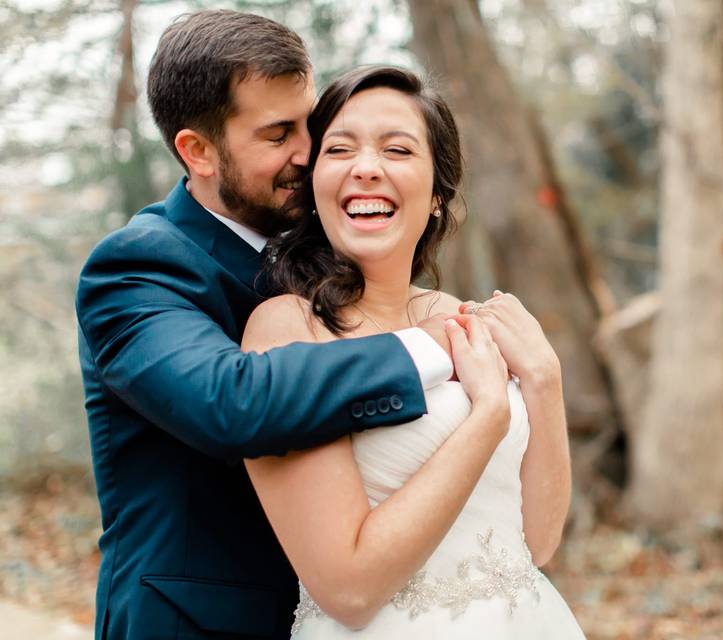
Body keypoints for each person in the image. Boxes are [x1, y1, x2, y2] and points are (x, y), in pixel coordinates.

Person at [75, 12, 459, 640]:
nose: (308, 153)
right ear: (197, 151)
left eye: (310, 122)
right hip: (198, 624)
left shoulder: (324, 250)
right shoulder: (136, 267)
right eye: (279, 133)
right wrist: (431, 347)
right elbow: (233, 402)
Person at [241, 65, 585, 638]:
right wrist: (488, 419)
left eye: (397, 150)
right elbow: (347, 588)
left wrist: (545, 381)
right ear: (315, 184)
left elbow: (539, 541)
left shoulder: (459, 317)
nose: (366, 168)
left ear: (435, 196)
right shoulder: (286, 332)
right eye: (340, 149)